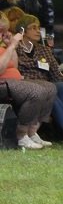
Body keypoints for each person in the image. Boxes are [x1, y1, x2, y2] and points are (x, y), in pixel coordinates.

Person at [13, 14, 63, 144]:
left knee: (62, 87)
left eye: (38, 28)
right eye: (33, 28)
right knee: (50, 92)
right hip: (26, 85)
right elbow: (14, 72)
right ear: (23, 31)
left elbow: (56, 74)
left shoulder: (44, 50)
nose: (38, 31)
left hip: (46, 84)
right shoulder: (15, 49)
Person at [0, 11, 57, 149]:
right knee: (35, 91)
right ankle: (21, 134)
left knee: (50, 87)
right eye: (1, 31)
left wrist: (9, 46)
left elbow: (14, 65)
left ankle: (32, 132)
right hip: (2, 83)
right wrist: (12, 46)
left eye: (4, 31)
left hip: (12, 82)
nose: (3, 34)